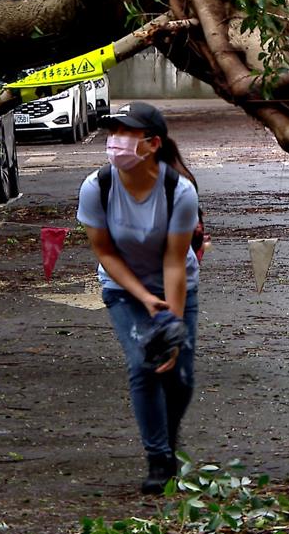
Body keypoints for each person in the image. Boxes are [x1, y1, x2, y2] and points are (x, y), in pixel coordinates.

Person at [76, 102, 201, 494]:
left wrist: (172, 324)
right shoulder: (97, 186)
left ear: (152, 144)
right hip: (123, 288)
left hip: (177, 282)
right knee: (144, 364)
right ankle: (158, 458)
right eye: (112, 132)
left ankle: (169, 437)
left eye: (126, 133)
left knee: (179, 377)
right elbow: (105, 252)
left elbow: (174, 261)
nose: (115, 142)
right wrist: (145, 299)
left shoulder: (178, 190)